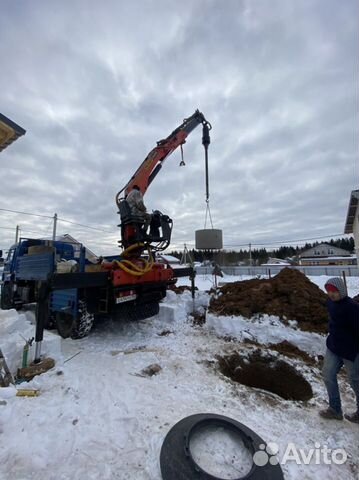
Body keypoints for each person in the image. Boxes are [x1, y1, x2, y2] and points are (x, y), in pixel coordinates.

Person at [319, 277, 359, 423]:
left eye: (334, 291)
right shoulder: (330, 303)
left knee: (355, 380)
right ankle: (335, 410)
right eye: (329, 291)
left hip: (351, 349)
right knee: (328, 374)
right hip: (334, 346)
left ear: (341, 291)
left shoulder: (352, 307)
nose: (331, 294)